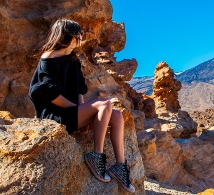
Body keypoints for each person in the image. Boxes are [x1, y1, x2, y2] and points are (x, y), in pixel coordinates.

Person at [28, 19, 135, 193]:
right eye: (79, 34)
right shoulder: (48, 59)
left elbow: (79, 89)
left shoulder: (72, 60)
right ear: (67, 36)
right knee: (104, 103)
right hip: (55, 116)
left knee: (117, 115)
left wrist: (83, 113)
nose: (81, 37)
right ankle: (96, 155)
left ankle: (120, 166)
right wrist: (76, 111)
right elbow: (47, 92)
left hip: (71, 112)